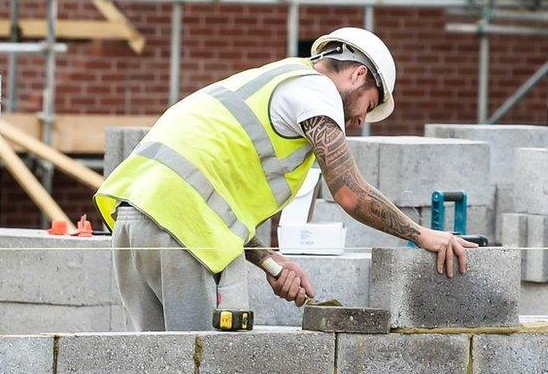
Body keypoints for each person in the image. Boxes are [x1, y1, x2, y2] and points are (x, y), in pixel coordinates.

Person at [95, 27, 470, 331]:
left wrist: (271, 262)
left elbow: (213, 203)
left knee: (151, 361)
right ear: (359, 74)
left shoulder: (276, 79)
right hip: (181, 233)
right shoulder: (316, 90)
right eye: (367, 106)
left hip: (135, 221)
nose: (358, 121)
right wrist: (422, 234)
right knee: (202, 360)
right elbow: (350, 193)